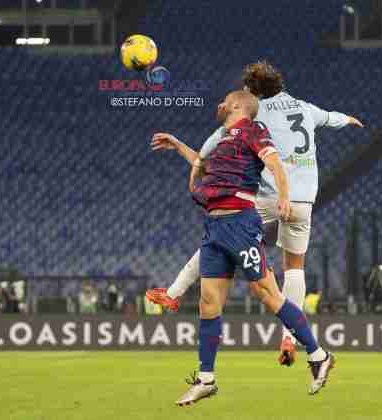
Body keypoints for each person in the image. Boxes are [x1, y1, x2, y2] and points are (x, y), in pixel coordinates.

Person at [146, 60, 363, 366]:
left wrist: (183, 148)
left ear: (251, 91)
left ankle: (173, 292)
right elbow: (332, 118)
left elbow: (205, 155)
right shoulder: (305, 108)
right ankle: (289, 337)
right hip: (303, 202)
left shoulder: (253, 117)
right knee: (295, 267)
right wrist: (350, 119)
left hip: (269, 197)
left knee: (220, 232)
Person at [160, 90, 333, 406]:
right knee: (208, 302)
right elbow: (204, 168)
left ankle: (318, 355)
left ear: (237, 105)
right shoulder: (225, 141)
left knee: (267, 293)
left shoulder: (253, 129)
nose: (219, 104)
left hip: (240, 223)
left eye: (224, 100)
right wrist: (178, 145)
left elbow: (274, 163)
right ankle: (206, 379)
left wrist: (284, 196)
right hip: (214, 226)